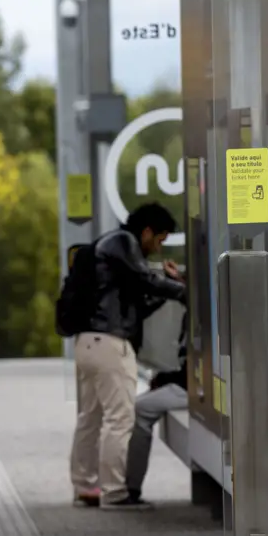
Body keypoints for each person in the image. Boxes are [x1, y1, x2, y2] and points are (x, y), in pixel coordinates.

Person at [69, 202, 186, 509]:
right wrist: (182, 292)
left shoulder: (108, 250)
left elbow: (141, 301)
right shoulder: (123, 243)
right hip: (110, 344)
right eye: (159, 240)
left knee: (90, 418)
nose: (157, 249)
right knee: (121, 418)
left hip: (87, 342)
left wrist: (170, 288)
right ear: (146, 231)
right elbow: (147, 282)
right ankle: (114, 492)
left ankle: (84, 486)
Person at [123, 307, 189, 508]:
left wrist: (168, 378)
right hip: (191, 383)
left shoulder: (201, 310)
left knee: (139, 409)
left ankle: (131, 488)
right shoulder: (195, 310)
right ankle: (127, 484)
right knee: (135, 405)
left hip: (197, 388)